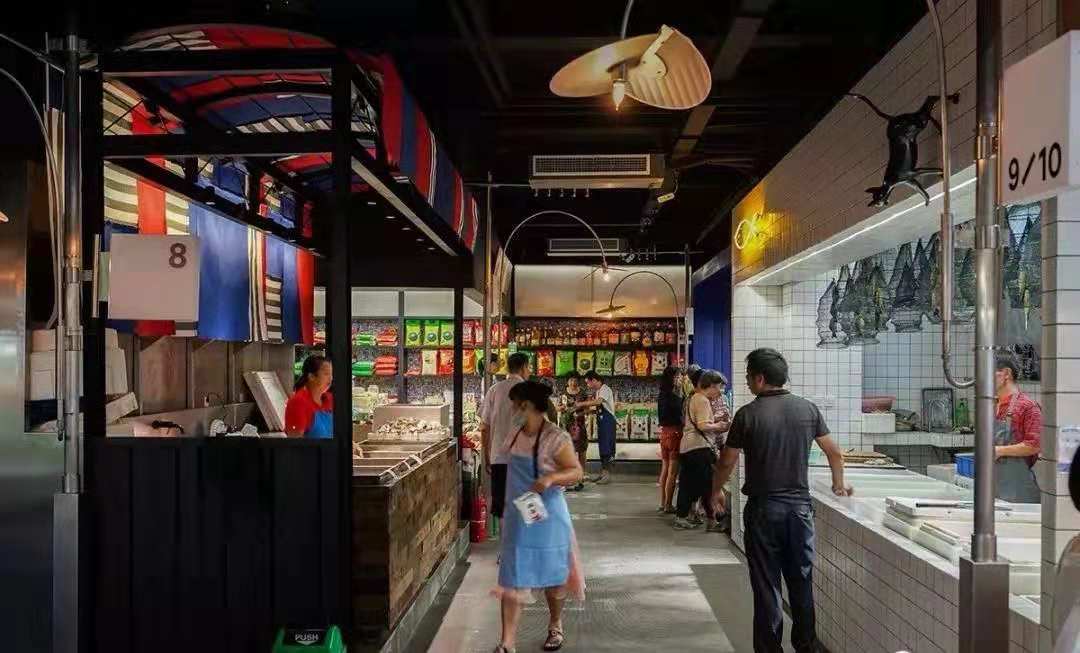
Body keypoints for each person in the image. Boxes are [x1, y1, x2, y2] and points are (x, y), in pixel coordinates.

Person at [713, 348, 851, 653]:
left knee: (767, 586)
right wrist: (838, 484)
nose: (747, 382)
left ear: (760, 379)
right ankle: (806, 645)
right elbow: (834, 452)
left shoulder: (747, 414)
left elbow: (726, 461)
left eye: (749, 377)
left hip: (764, 511)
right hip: (800, 512)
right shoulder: (807, 409)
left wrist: (715, 491)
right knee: (801, 581)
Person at [494, 381, 585, 653]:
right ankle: (507, 642)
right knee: (512, 577)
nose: (513, 411)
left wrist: (551, 478)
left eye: (516, 406)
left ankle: (555, 625)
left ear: (528, 406)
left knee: (554, 575)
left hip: (548, 518)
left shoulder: (556, 438)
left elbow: (576, 472)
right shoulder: (514, 433)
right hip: (518, 516)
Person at [673, 370, 729, 531]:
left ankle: (682, 517)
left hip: (688, 448)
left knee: (688, 484)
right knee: (708, 485)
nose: (720, 392)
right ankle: (713, 520)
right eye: (719, 387)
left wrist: (714, 420)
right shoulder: (703, 400)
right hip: (699, 448)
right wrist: (720, 425)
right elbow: (703, 425)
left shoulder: (693, 397)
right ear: (710, 385)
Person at [480, 352, 531, 524]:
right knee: (526, 506)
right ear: (523, 367)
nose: (529, 371)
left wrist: (487, 456)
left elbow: (484, 427)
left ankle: (506, 541)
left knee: (503, 509)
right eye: (529, 367)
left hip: (499, 458)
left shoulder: (494, 390)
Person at [993, 356, 1043, 503]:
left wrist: (999, 451)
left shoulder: (1027, 406)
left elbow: (1034, 445)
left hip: (1019, 493)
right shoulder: (992, 405)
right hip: (994, 489)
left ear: (1006, 374)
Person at [577, 371, 617, 484]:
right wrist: (583, 413)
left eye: (588, 383)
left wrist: (581, 404)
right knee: (603, 447)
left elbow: (598, 402)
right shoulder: (599, 391)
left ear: (594, 380)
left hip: (608, 422)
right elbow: (598, 408)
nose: (588, 385)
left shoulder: (605, 389)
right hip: (602, 422)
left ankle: (607, 475)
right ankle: (603, 473)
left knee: (607, 448)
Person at [656, 366, 684, 513]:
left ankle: (662, 503)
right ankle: (668, 505)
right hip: (675, 435)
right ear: (671, 378)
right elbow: (681, 417)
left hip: (664, 434)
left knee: (665, 469)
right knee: (672, 473)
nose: (680, 379)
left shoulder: (661, 395)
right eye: (677, 377)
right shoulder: (675, 398)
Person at [284, 355, 333, 438]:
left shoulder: (330, 399)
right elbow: (295, 442)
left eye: (331, 374)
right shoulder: (298, 402)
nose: (330, 378)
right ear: (311, 377)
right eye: (326, 374)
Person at [560, 371, 589, 492]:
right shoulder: (563, 393)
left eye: (575, 380)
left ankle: (580, 479)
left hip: (579, 426)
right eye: (571, 380)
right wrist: (561, 408)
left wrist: (579, 414)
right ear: (567, 381)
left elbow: (587, 409)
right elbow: (558, 407)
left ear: (578, 381)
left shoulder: (583, 393)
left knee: (581, 451)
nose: (573, 382)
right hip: (565, 427)